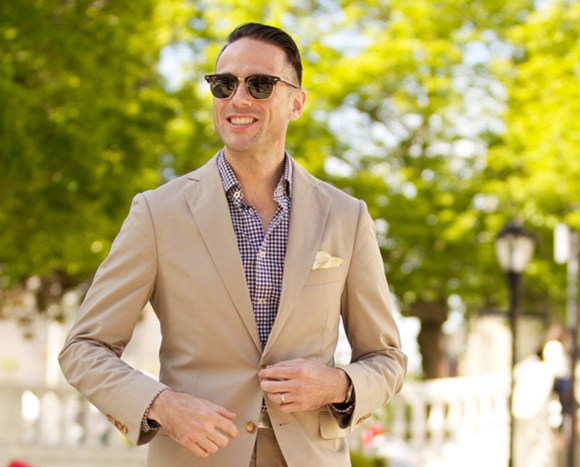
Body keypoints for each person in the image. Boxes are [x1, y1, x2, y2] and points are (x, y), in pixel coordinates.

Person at [59, 22, 407, 467]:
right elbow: (84, 348)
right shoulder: (157, 213)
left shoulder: (346, 216)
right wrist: (161, 405)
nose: (238, 98)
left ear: (296, 103)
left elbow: (387, 358)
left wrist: (338, 386)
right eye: (224, 85)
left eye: (259, 85)